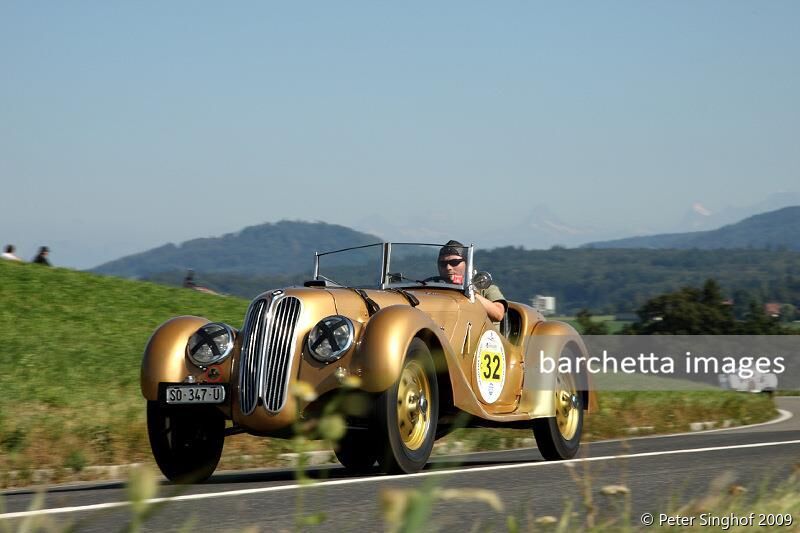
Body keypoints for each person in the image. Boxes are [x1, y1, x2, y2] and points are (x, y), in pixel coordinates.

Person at [438, 240, 506, 323]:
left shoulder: (486, 289)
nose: (448, 267)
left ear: (467, 264)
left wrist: (469, 290)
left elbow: (498, 314)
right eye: (443, 263)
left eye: (454, 262)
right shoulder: (431, 287)